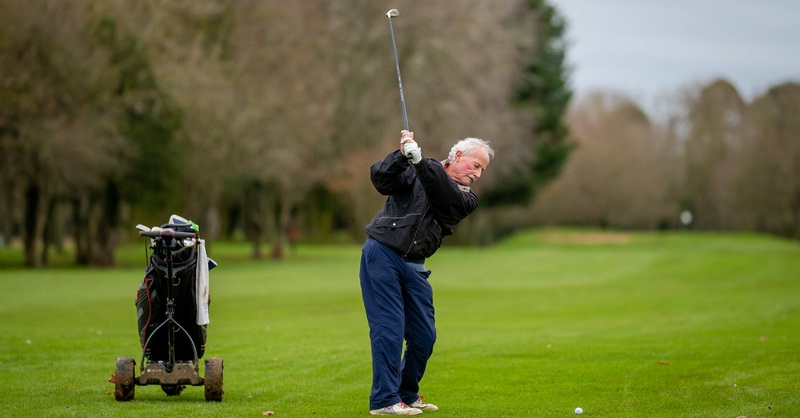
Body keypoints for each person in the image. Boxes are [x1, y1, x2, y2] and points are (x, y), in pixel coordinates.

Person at [359, 130, 494, 415]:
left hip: (415, 265)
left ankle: (406, 395)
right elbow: (381, 180)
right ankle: (384, 401)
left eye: (482, 169)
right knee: (389, 328)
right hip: (382, 253)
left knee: (424, 336)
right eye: (476, 165)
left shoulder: (466, 198)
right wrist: (401, 155)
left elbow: (443, 194)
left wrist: (420, 161)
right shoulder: (415, 166)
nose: (478, 174)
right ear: (458, 156)